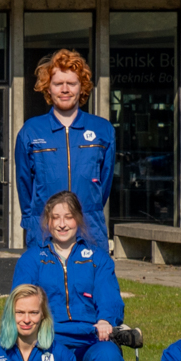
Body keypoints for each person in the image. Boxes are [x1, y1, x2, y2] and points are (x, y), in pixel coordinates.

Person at [12, 191, 138, 361]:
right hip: (49, 337)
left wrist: (106, 320)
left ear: (78, 219)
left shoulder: (97, 258)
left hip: (90, 337)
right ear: (47, 222)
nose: (62, 224)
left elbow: (110, 298)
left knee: (109, 354)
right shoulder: (32, 259)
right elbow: (21, 301)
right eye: (56, 217)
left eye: (68, 217)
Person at [14, 49, 115, 247]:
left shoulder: (102, 129)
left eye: (72, 83)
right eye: (58, 84)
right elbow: (24, 183)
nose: (65, 89)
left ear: (82, 87)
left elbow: (104, 184)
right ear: (48, 88)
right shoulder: (31, 130)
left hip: (90, 228)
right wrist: (32, 221)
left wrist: (87, 210)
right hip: (44, 228)